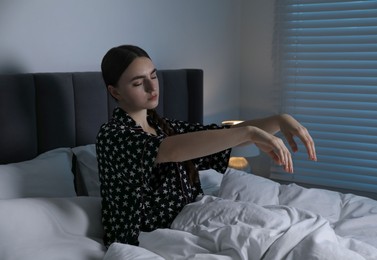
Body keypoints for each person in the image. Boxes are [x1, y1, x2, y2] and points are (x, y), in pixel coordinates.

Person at [96, 44, 317, 247]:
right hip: (150, 233)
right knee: (268, 233)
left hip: (194, 216)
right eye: (137, 82)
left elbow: (220, 135)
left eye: (153, 76)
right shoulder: (113, 136)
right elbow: (169, 150)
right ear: (115, 91)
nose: (151, 86)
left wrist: (279, 120)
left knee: (287, 224)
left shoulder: (165, 127)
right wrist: (249, 133)